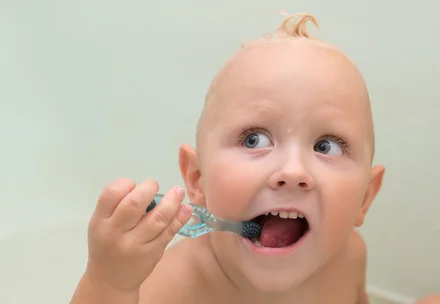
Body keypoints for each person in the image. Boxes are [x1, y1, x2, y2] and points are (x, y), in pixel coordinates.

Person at [70, 12, 385, 304]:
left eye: (326, 146)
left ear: (365, 198)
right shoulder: (171, 286)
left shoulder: (350, 258)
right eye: (254, 140)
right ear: (197, 178)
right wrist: (110, 283)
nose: (292, 171)